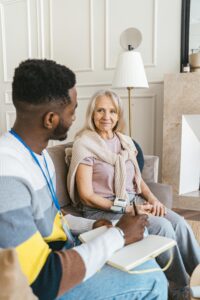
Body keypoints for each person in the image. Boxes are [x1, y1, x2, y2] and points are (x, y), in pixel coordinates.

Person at [0, 59, 168, 300]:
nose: (76, 117)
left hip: (66, 251)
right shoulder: (7, 174)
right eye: (73, 110)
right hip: (44, 284)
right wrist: (119, 235)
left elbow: (54, 221)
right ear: (50, 119)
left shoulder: (39, 157)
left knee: (147, 263)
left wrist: (93, 226)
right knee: (153, 280)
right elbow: (40, 282)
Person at [67, 89, 200, 300]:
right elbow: (86, 195)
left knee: (179, 223)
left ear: (119, 115)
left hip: (134, 201)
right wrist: (125, 208)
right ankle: (180, 288)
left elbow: (138, 183)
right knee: (163, 227)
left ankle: (199, 277)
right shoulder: (85, 144)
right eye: (100, 110)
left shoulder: (125, 142)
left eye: (112, 111)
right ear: (92, 114)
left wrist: (153, 200)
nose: (106, 116)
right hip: (103, 209)